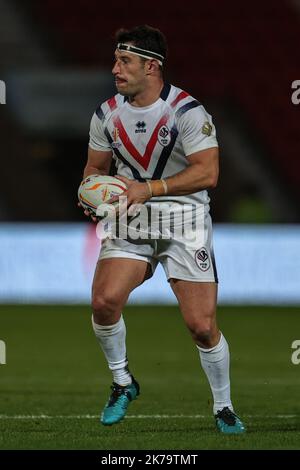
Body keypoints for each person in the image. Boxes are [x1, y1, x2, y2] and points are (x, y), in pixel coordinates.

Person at [80, 25, 245, 434]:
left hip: (184, 221)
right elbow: (95, 169)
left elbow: (209, 173)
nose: (115, 68)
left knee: (202, 327)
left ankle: (223, 407)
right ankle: (123, 383)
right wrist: (89, 194)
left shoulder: (187, 113)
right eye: (116, 60)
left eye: (125, 61)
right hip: (131, 219)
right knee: (103, 301)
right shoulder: (106, 114)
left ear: (151, 67)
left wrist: (149, 188)